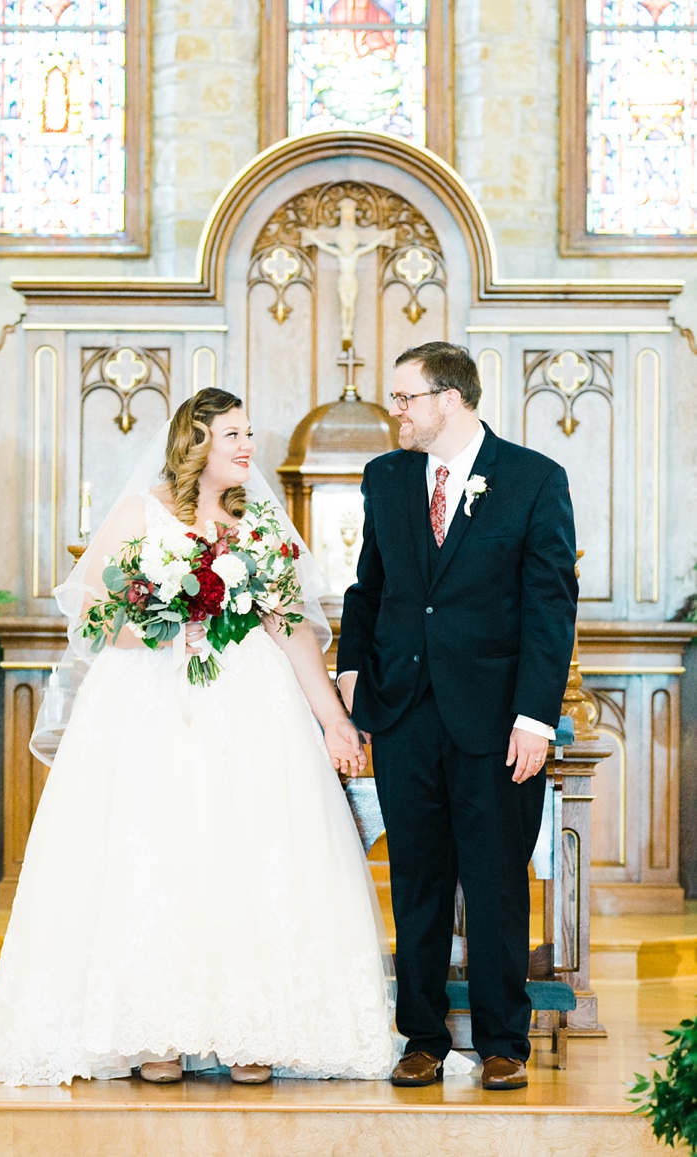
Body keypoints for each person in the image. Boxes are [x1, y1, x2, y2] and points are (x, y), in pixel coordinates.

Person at [0, 388, 424, 1088]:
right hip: (152, 699)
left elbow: (291, 627)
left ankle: (251, 1030)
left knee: (249, 854)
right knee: (157, 852)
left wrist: (332, 718)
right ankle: (154, 1031)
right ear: (197, 441)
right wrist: (155, 621)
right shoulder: (142, 511)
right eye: (233, 434)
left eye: (249, 432)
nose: (247, 445)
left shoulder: (258, 521)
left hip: (251, 705)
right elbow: (94, 611)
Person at [337, 343, 578, 1091]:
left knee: (497, 878)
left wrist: (535, 718)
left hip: (497, 719)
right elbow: (366, 588)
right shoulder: (386, 477)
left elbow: (549, 605)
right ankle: (422, 1035)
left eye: (405, 398)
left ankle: (504, 1038)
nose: (395, 411)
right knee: (416, 880)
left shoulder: (534, 480)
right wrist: (351, 672)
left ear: (451, 398)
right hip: (406, 713)